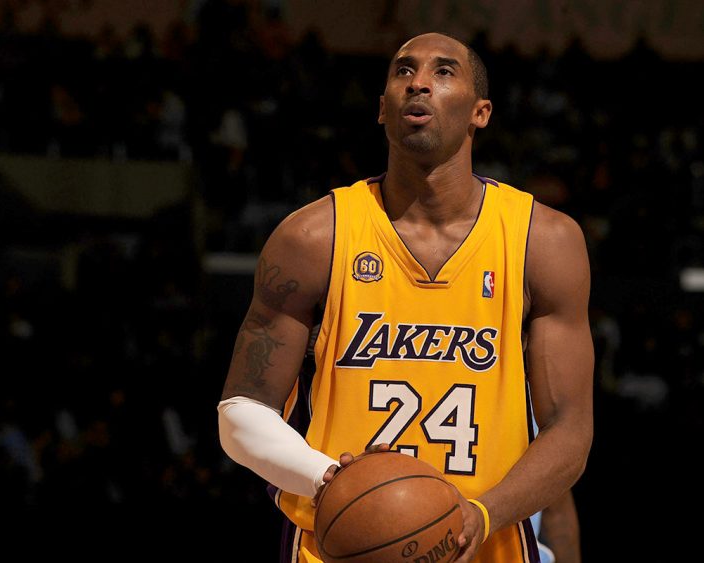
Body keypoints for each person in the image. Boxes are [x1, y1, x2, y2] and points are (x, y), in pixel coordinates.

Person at [217, 32, 593, 563]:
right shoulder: (313, 237)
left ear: (480, 112)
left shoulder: (543, 241)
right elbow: (240, 413)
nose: (419, 82)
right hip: (339, 547)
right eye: (403, 71)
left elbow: (570, 431)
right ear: (381, 109)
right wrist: (333, 483)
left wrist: (480, 516)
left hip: (487, 543)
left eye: (443, 72)